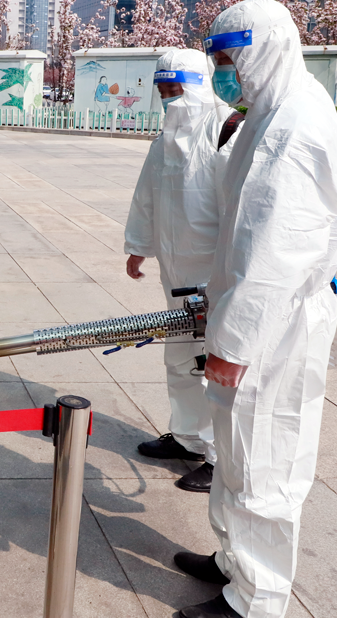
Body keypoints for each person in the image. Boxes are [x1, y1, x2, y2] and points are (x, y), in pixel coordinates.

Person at [173, 0, 337, 618]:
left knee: (264, 465)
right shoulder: (268, 114)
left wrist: (233, 342)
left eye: (230, 59)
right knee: (236, 456)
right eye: (218, 60)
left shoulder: (294, 125)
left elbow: (278, 251)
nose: (223, 72)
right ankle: (233, 562)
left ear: (266, 49)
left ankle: (255, 599)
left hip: (271, 330)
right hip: (251, 319)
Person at [124, 48, 236, 493]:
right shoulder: (164, 139)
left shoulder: (227, 130)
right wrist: (138, 247)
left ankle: (220, 457)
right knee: (181, 356)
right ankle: (189, 437)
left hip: (215, 273)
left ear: (198, 85)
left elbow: (242, 209)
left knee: (217, 362)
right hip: (176, 272)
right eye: (163, 89)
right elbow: (146, 196)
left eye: (176, 88)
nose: (170, 97)